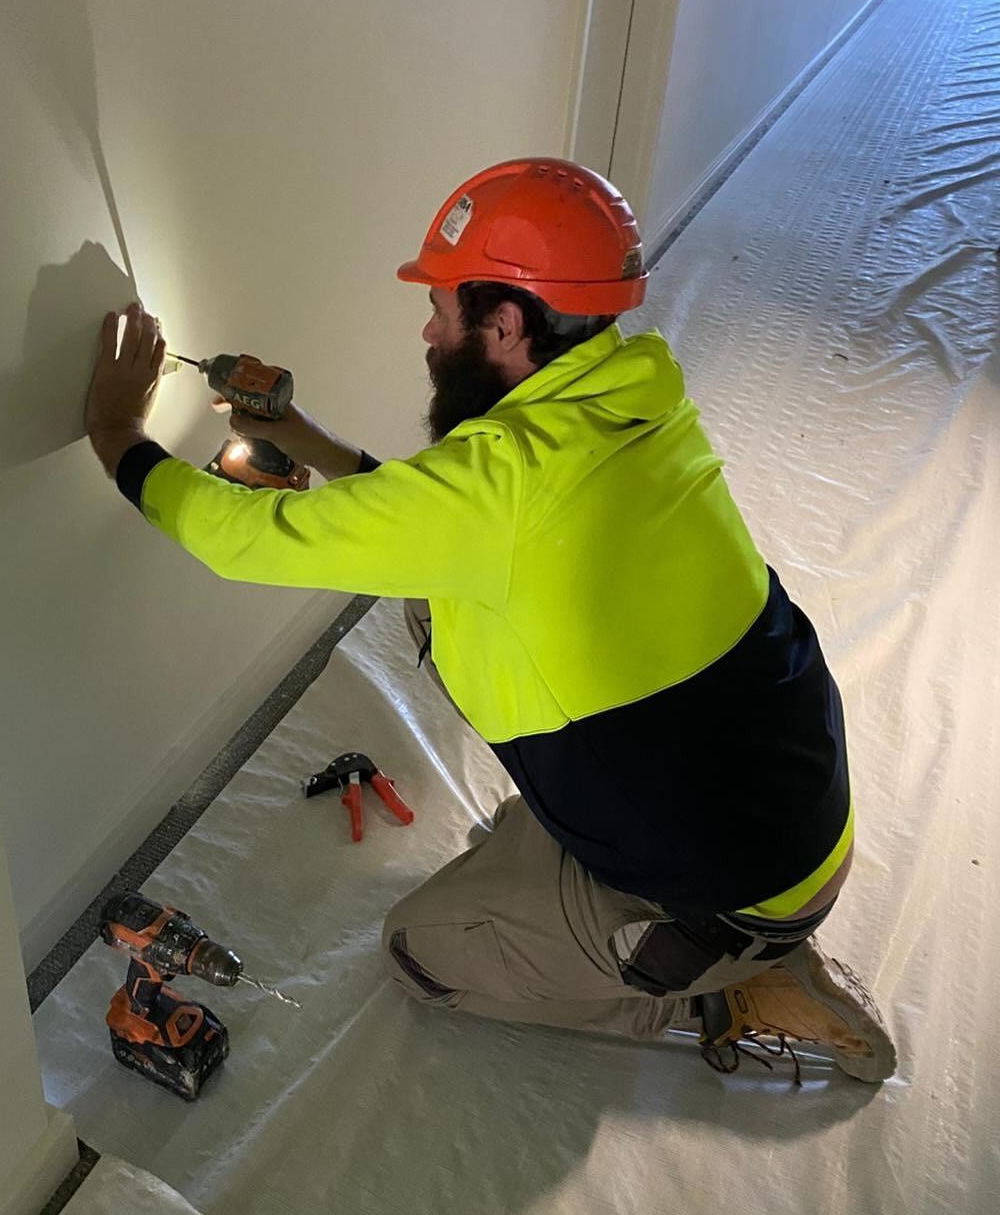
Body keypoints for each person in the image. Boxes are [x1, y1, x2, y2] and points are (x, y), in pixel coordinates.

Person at [86, 157, 895, 1083]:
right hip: (782, 799)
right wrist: (299, 433)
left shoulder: (500, 487)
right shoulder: (634, 392)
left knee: (419, 954)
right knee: (434, 590)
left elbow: (244, 539)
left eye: (443, 307)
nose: (428, 331)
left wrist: (120, 438)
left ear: (504, 324)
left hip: (741, 894)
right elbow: (445, 522)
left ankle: (727, 991)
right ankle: (646, 911)